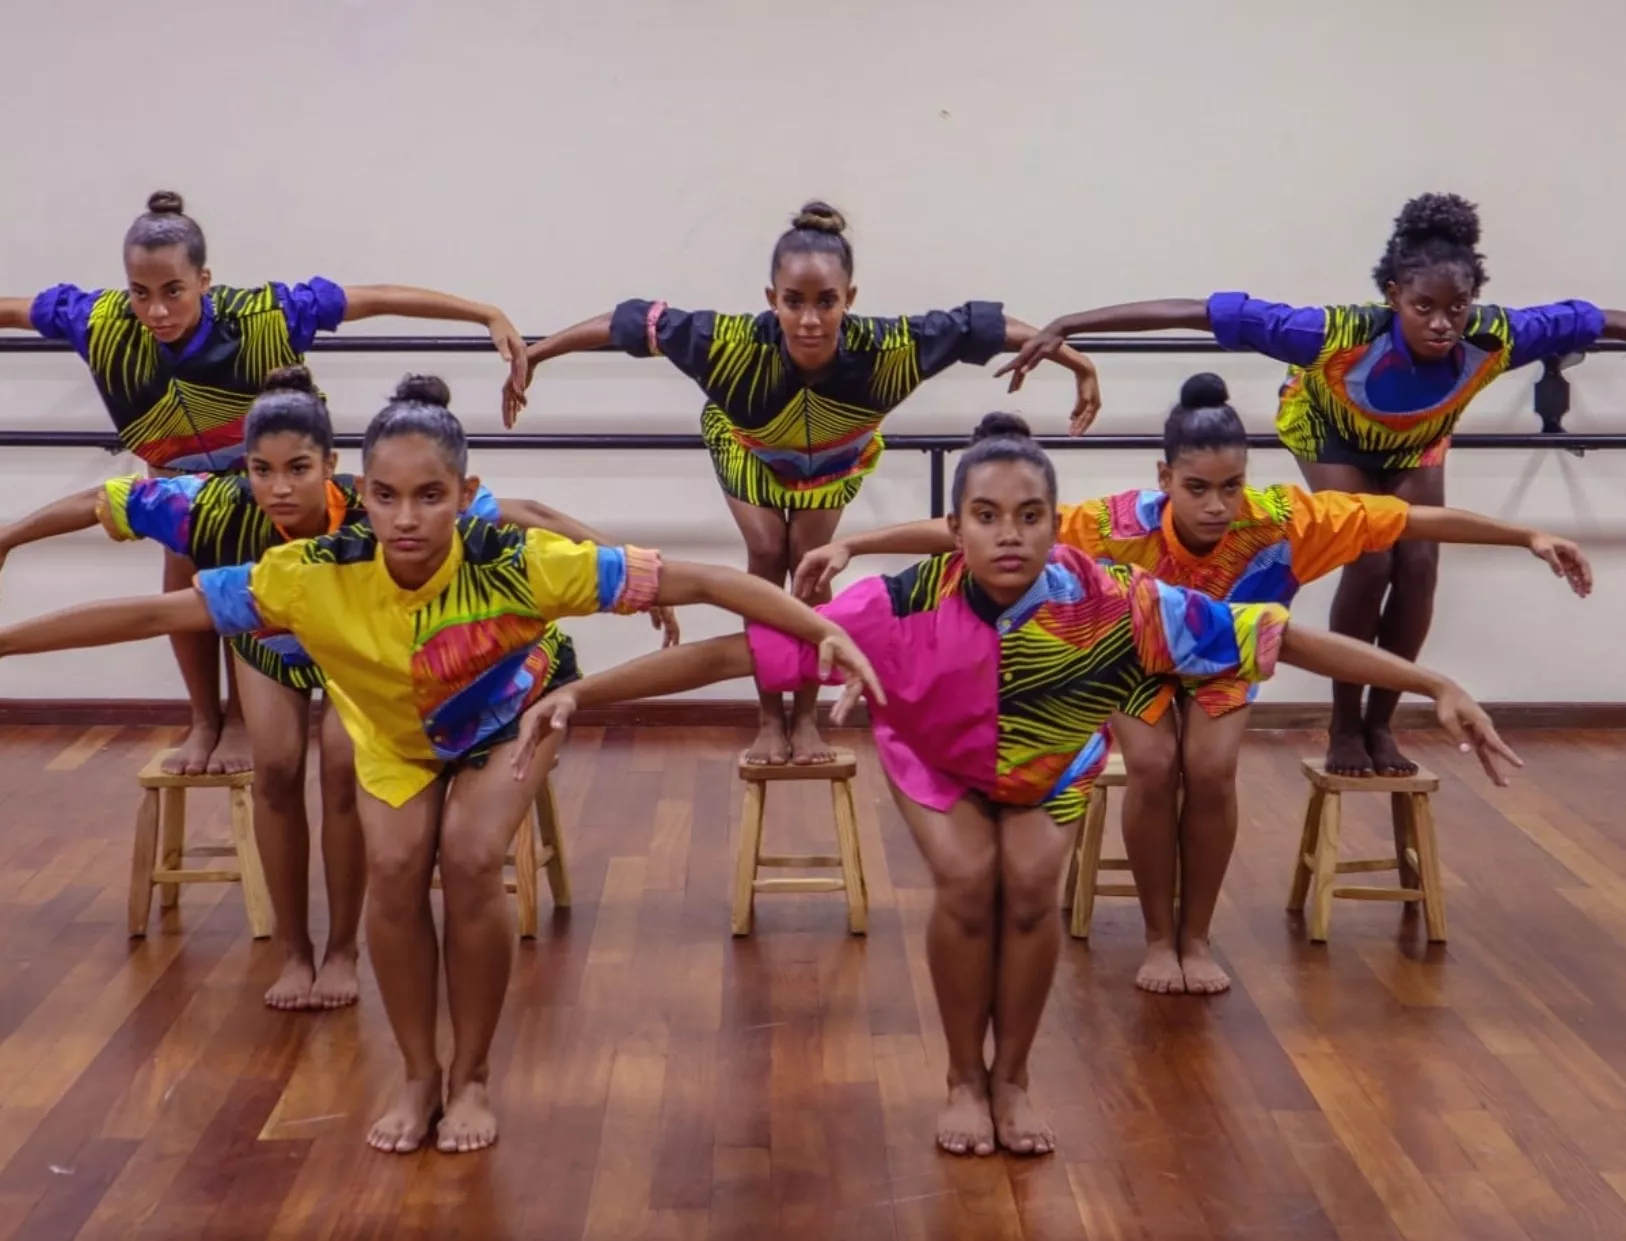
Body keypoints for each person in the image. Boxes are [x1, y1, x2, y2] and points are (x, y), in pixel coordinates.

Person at [508, 412, 1519, 1159]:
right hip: (935, 760)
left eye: (1030, 515)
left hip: (1049, 764)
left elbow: (1282, 636)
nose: (1009, 534)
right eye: (986, 516)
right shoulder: (892, 603)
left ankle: (1015, 1076)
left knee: (1028, 889)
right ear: (955, 529)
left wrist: (1430, 681)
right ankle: (961, 1075)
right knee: (967, 886)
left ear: (1055, 525)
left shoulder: (1120, 602)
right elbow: (736, 650)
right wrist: (586, 693)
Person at [0, 373, 880, 1157]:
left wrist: (822, 627)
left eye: (430, 496)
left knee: (466, 860)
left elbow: (711, 582)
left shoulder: (519, 563)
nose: (408, 517)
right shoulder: (307, 573)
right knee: (391, 869)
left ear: (464, 494)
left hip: (512, 719)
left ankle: (473, 1074)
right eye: (386, 496)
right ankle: (420, 1073)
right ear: (365, 495)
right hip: (394, 739)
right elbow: (150, 615)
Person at [792, 373, 1589, 996]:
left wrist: (1527, 533)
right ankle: (1154, 936)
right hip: (1137, 659)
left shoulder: (1282, 519)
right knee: (1152, 765)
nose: (1217, 505)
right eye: (1197, 488)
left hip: (1224, 658)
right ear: (1164, 475)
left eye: (1231, 486)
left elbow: (1410, 519)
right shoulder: (1110, 523)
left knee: (1208, 769)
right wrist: (857, 542)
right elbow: (962, 531)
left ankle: (1194, 937)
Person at [0, 366, 679, 1013]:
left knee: (340, 764)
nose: (280, 488)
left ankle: (344, 949)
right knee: (274, 767)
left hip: (357, 656)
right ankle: (293, 950)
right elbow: (96, 506)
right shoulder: (204, 505)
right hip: (269, 640)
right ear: (244, 469)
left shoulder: (378, 503)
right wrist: (9, 536)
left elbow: (523, 511)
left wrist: (630, 566)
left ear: (331, 467)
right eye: (262, 470)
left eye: (299, 468)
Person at [995, 191, 1626, 779]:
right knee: (1371, 556)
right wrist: (1070, 324)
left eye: (1455, 309)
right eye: (1422, 307)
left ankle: (1381, 723)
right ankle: (1344, 724)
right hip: (1327, 429)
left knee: (1421, 563)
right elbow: (1203, 312)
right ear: (1393, 295)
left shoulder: (1502, 336)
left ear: (1473, 301)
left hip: (1416, 439)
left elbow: (1600, 320)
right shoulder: (1333, 333)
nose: (1441, 325)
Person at [506, 199, 1102, 768]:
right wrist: (537, 353)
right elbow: (630, 324)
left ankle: (807, 714)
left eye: (827, 302)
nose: (810, 320)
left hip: (834, 460)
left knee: (811, 563)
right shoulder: (729, 344)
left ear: (850, 299)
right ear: (772, 299)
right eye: (793, 302)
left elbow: (984, 327)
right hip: (750, 447)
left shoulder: (890, 347)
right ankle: (768, 717)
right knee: (767, 554)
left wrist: (1074, 359)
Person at [0, 190, 532, 779]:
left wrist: (485, 312)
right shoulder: (98, 321)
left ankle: (273, 715)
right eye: (141, 293)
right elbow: (14, 310)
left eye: (173, 291)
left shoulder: (263, 316)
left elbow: (375, 297)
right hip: (187, 486)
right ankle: (207, 717)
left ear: (203, 280)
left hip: (273, 488)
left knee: (260, 584)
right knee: (184, 568)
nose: (156, 312)